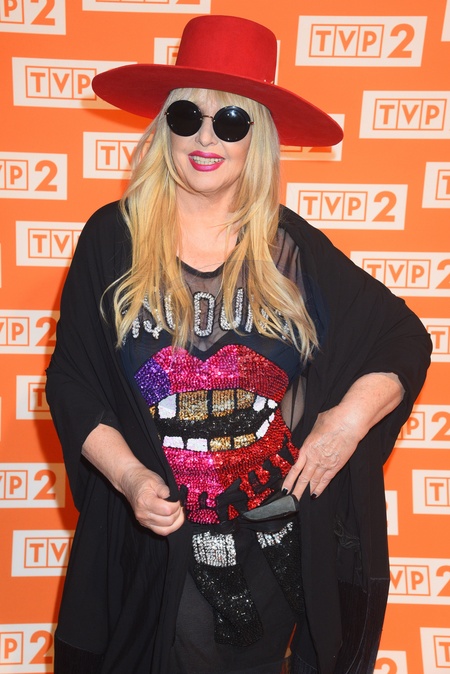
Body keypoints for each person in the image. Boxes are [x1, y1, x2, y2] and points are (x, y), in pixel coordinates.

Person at [45, 14, 431, 674]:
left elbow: (402, 339)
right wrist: (131, 477)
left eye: (230, 122)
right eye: (187, 116)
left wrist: (345, 422)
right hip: (154, 545)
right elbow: (73, 383)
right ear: (164, 128)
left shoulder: (294, 249)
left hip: (270, 550)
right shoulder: (111, 239)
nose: (205, 137)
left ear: (260, 139)